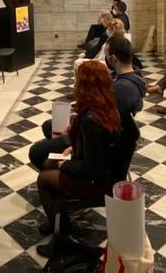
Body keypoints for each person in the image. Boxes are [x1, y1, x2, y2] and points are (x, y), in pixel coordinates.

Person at [35, 62, 129, 257]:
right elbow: (96, 149)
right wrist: (75, 148)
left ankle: (62, 240)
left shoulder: (90, 119)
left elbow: (91, 168)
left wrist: (67, 163)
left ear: (85, 85)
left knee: (43, 179)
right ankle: (60, 220)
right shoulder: (106, 105)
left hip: (99, 182)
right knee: (47, 164)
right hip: (105, 171)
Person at [29, 36, 143, 171]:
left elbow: (99, 124)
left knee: (36, 151)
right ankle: (59, 163)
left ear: (113, 58)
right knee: (49, 125)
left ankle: (60, 174)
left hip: (98, 137)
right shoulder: (135, 76)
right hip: (97, 127)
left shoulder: (122, 89)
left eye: (105, 55)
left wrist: (74, 138)